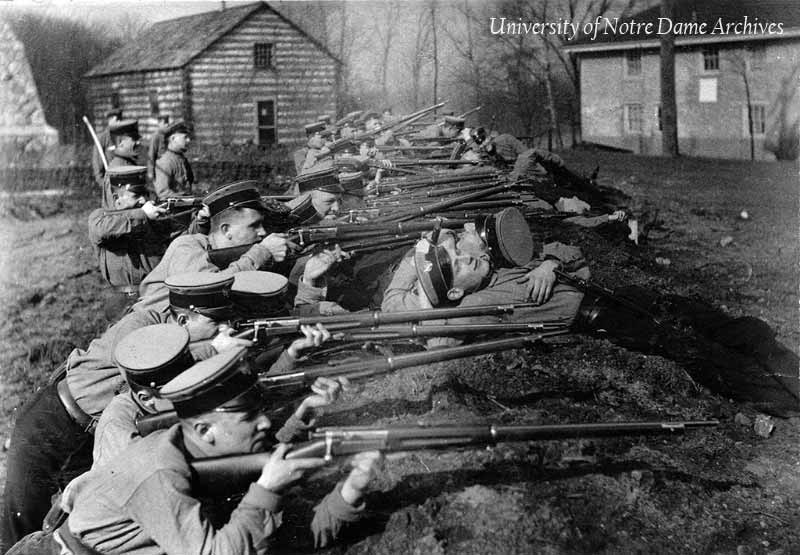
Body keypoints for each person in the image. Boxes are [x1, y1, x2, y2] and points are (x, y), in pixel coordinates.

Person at [27, 347, 381, 554]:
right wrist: (267, 489)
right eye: (249, 416)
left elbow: (272, 532)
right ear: (204, 429)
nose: (264, 423)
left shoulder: (193, 451)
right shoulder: (160, 473)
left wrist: (348, 493)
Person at [0, 272, 254, 551]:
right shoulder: (142, 329)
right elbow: (145, 371)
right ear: (182, 319)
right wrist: (213, 349)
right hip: (52, 424)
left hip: (90, 430)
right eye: (215, 323)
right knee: (23, 522)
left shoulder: (175, 343)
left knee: (88, 510)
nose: (224, 329)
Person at [133, 181, 294, 313]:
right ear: (226, 230)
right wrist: (261, 252)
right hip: (147, 335)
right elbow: (209, 293)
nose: (262, 232)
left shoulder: (236, 256)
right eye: (254, 226)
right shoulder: (187, 246)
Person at [87, 165, 172, 299]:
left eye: (145, 194)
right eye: (136, 195)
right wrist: (142, 215)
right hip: (123, 299)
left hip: (156, 296)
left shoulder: (150, 217)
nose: (144, 200)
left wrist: (201, 223)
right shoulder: (99, 218)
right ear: (116, 199)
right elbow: (103, 230)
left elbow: (179, 239)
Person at [101, 119, 142, 209]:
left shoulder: (128, 164)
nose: (139, 142)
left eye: (138, 139)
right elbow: (119, 209)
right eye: (134, 139)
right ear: (120, 143)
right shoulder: (119, 169)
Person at [153, 120, 194, 201]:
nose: (188, 140)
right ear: (173, 138)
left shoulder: (182, 159)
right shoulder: (165, 161)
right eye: (185, 137)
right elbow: (163, 193)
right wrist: (187, 199)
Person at [91, 108, 122, 189]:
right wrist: (103, 184)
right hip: (110, 183)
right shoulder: (103, 138)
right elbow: (97, 164)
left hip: (125, 182)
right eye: (117, 120)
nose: (119, 122)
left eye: (120, 120)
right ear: (110, 120)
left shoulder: (123, 137)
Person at [146, 114, 170, 184]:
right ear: (159, 123)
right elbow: (151, 154)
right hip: (159, 168)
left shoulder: (168, 135)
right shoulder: (156, 136)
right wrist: (150, 172)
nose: (167, 125)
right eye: (165, 123)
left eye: (167, 123)